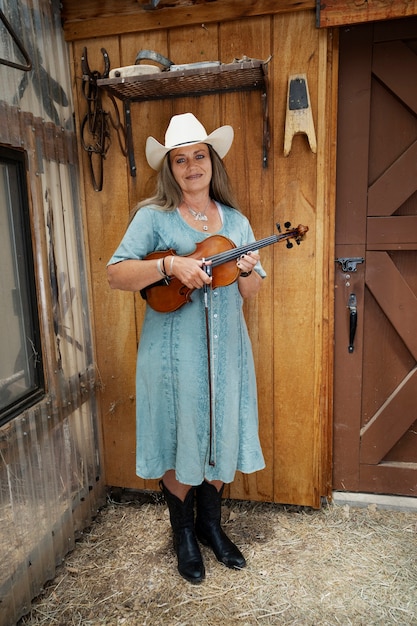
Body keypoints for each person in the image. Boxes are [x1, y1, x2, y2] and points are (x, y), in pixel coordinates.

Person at [107, 112, 266, 583]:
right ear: (170, 168)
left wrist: (246, 268)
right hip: (173, 354)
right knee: (180, 434)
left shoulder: (236, 222)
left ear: (213, 162)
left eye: (200, 156)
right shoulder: (152, 217)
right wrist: (170, 265)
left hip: (228, 350)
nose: (192, 166)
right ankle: (183, 536)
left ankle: (210, 528)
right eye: (181, 159)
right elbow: (117, 274)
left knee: (221, 428)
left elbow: (250, 293)